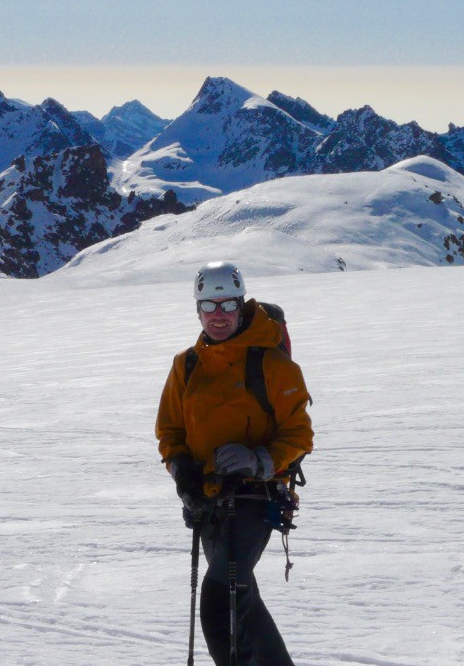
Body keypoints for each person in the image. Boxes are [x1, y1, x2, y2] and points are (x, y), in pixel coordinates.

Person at [156, 261, 314, 666]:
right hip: (207, 502)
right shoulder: (186, 364)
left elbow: (300, 436)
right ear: (198, 309)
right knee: (242, 598)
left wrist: (258, 460)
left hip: (255, 499)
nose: (219, 315)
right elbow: (169, 433)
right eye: (209, 305)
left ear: (241, 305)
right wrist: (182, 474)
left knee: (220, 599)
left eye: (227, 304)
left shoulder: (273, 365)